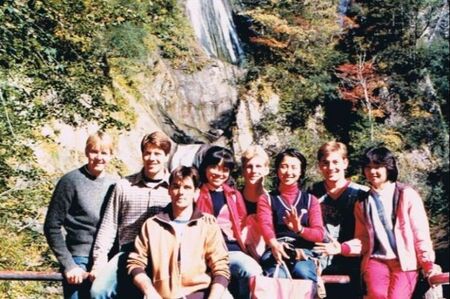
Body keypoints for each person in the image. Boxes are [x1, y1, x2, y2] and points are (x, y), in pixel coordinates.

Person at [325, 146, 440, 298]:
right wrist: (343, 248)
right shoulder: (362, 202)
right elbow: (363, 239)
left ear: (388, 168)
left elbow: (420, 234)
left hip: (405, 262)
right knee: (376, 294)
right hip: (376, 260)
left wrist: (428, 264)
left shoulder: (407, 195)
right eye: (368, 167)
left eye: (377, 167)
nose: (372, 172)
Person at [90, 131, 172, 299]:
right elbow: (109, 225)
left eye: (157, 153)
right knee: (98, 291)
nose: (152, 158)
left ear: (166, 156)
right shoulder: (124, 186)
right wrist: (99, 262)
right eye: (147, 153)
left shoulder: (175, 188)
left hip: (163, 254)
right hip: (128, 252)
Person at [127, 166, 231, 299]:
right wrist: (149, 291)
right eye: (176, 186)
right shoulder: (152, 225)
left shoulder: (207, 224)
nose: (181, 192)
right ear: (169, 190)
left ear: (196, 192)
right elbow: (136, 263)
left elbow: (221, 266)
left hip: (200, 294)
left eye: (187, 187)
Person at [44, 131, 116, 299]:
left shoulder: (116, 184)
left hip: (106, 260)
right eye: (94, 151)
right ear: (86, 152)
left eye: (104, 153)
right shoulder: (70, 181)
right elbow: (51, 226)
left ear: (111, 155)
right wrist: (69, 264)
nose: (99, 157)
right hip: (78, 260)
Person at [196, 146, 262, 299]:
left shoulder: (233, 194)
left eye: (225, 169)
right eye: (214, 167)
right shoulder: (197, 193)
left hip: (233, 249)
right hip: (209, 252)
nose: (219, 173)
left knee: (253, 271)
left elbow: (242, 223)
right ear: (205, 167)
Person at [310, 141, 368, 298]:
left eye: (335, 162)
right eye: (325, 163)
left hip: (354, 257)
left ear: (345, 163)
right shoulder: (312, 193)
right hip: (320, 257)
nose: (330, 168)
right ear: (319, 165)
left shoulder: (362, 194)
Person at [257, 148, 324, 283]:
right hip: (276, 248)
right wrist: (274, 244)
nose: (289, 172)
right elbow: (266, 225)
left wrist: (300, 229)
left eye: (294, 167)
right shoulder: (267, 199)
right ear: (277, 170)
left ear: (301, 171)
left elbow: (319, 234)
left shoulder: (311, 200)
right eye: (284, 166)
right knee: (277, 277)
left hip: (303, 252)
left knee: (303, 272)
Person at [240, 145, 270, 260]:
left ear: (266, 170)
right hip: (240, 254)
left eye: (258, 166)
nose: (254, 171)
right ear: (243, 170)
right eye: (249, 166)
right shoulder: (233, 199)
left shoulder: (272, 201)